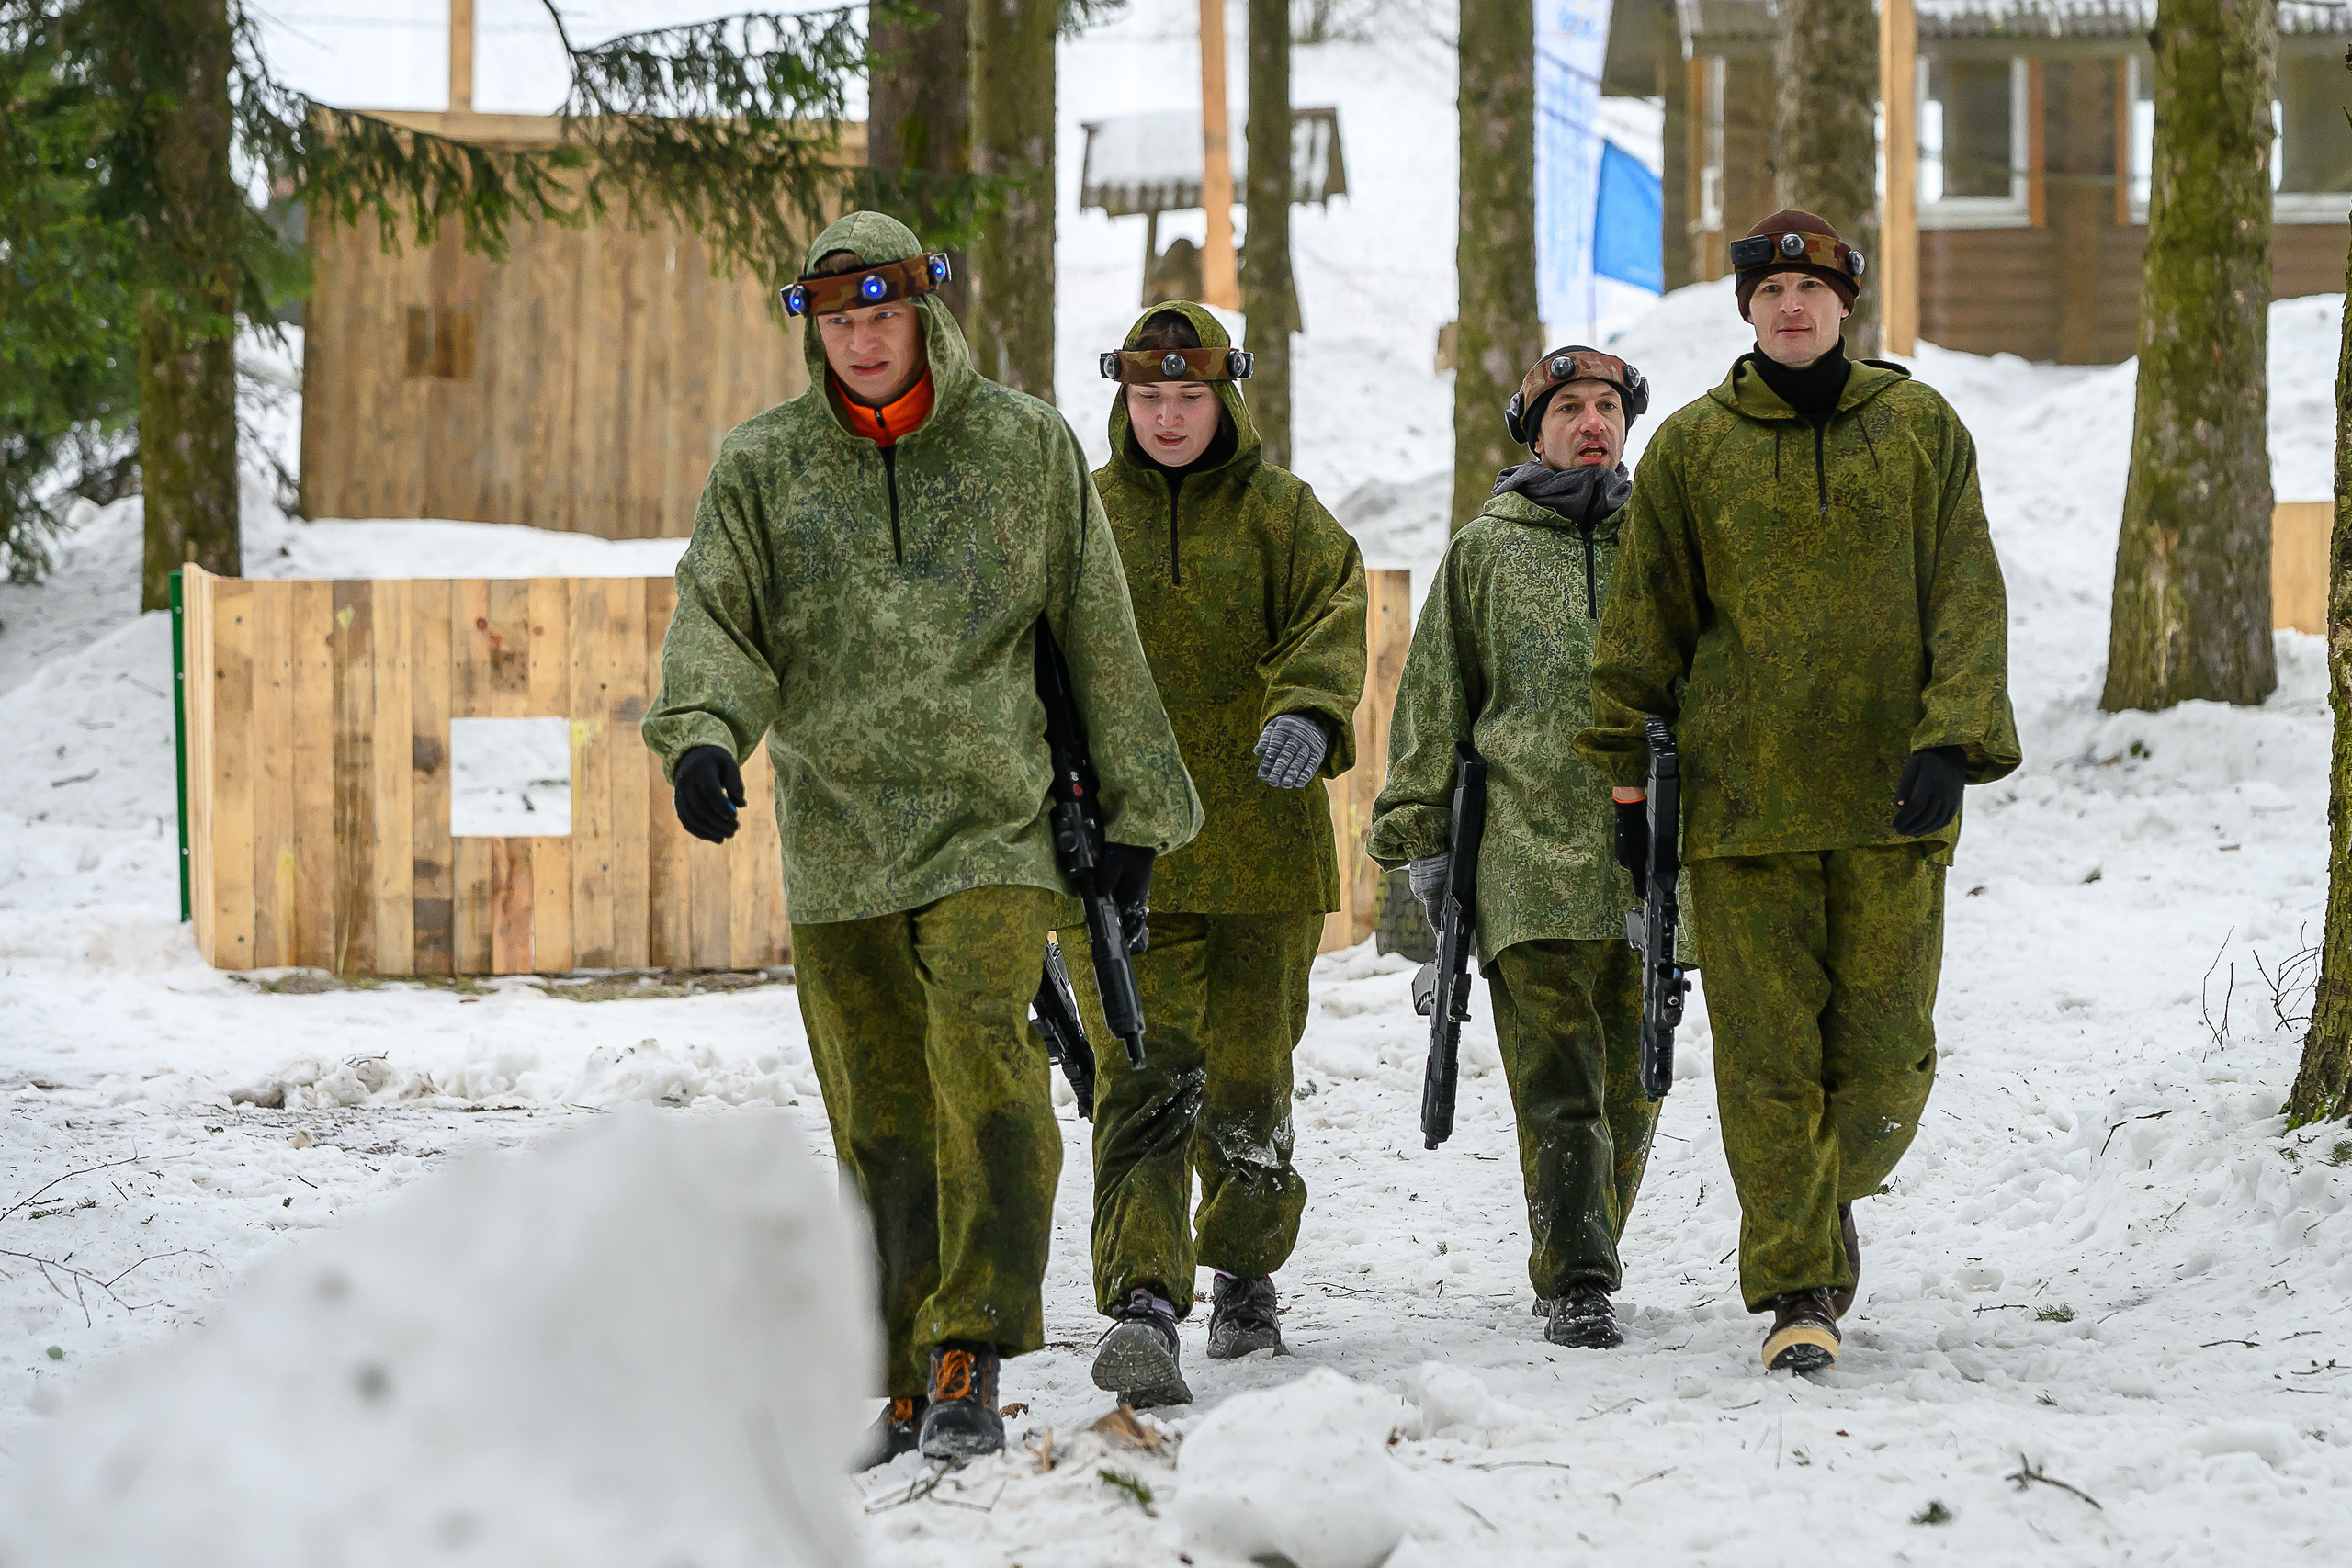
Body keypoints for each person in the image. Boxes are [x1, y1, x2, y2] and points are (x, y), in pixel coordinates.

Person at [643, 212, 1202, 1463]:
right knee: (880, 1110)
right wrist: (701, 737)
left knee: (984, 1070)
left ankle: (972, 1342)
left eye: (879, 312)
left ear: (925, 314)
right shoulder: (763, 468)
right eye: (836, 318)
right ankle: (906, 1368)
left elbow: (1095, 629)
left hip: (990, 825)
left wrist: (1138, 816)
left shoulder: (1020, 447)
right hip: (838, 834)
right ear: (813, 332)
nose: (860, 337)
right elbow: (718, 620)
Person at [1577, 209, 2019, 1372]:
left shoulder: (1920, 429)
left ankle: (1830, 1193)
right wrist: (1630, 793)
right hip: (1742, 814)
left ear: (1843, 305)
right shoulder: (1690, 450)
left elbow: (1966, 593)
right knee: (1768, 1065)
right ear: (1747, 310)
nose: (1791, 308)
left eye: (1811, 291)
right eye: (1771, 293)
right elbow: (1642, 633)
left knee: (1880, 1069)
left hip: (1890, 806)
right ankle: (1797, 1292)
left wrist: (1952, 738)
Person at [1064, 303, 1367, 1408]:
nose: (1170, 417)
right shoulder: (1083, 518)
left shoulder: (1284, 515)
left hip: (1263, 852)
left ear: (1224, 397)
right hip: (1122, 856)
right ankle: (1144, 1302)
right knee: (1141, 1079)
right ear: (1123, 403)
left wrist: (1310, 709)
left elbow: (1335, 618)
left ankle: (1242, 1267)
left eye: (1189, 397)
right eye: (1150, 398)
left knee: (1247, 1078)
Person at [1367, 345, 1664, 1350]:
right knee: (1558, 1083)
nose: (1592, 424)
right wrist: (1420, 862)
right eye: (1571, 408)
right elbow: (1432, 710)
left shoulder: (1662, 547)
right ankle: (1578, 1278)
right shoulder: (1483, 555)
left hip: (1646, 860)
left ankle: (1587, 1247)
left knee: (1633, 1082)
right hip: (1523, 859)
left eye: (1608, 408)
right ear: (1532, 430)